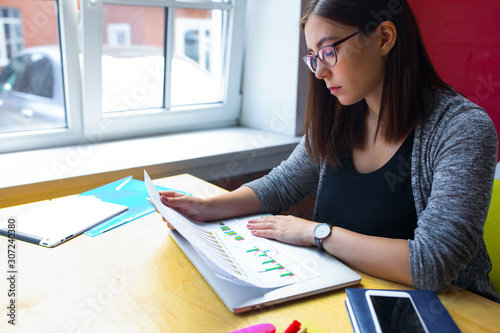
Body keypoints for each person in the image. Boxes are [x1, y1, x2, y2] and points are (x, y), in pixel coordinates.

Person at [159, 0, 499, 302]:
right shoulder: (341, 113)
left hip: (446, 315)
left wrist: (317, 233)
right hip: (343, 294)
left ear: (384, 38)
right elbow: (282, 185)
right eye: (313, 57)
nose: (320, 71)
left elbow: (433, 264)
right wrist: (206, 208)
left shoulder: (462, 129)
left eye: (329, 51)